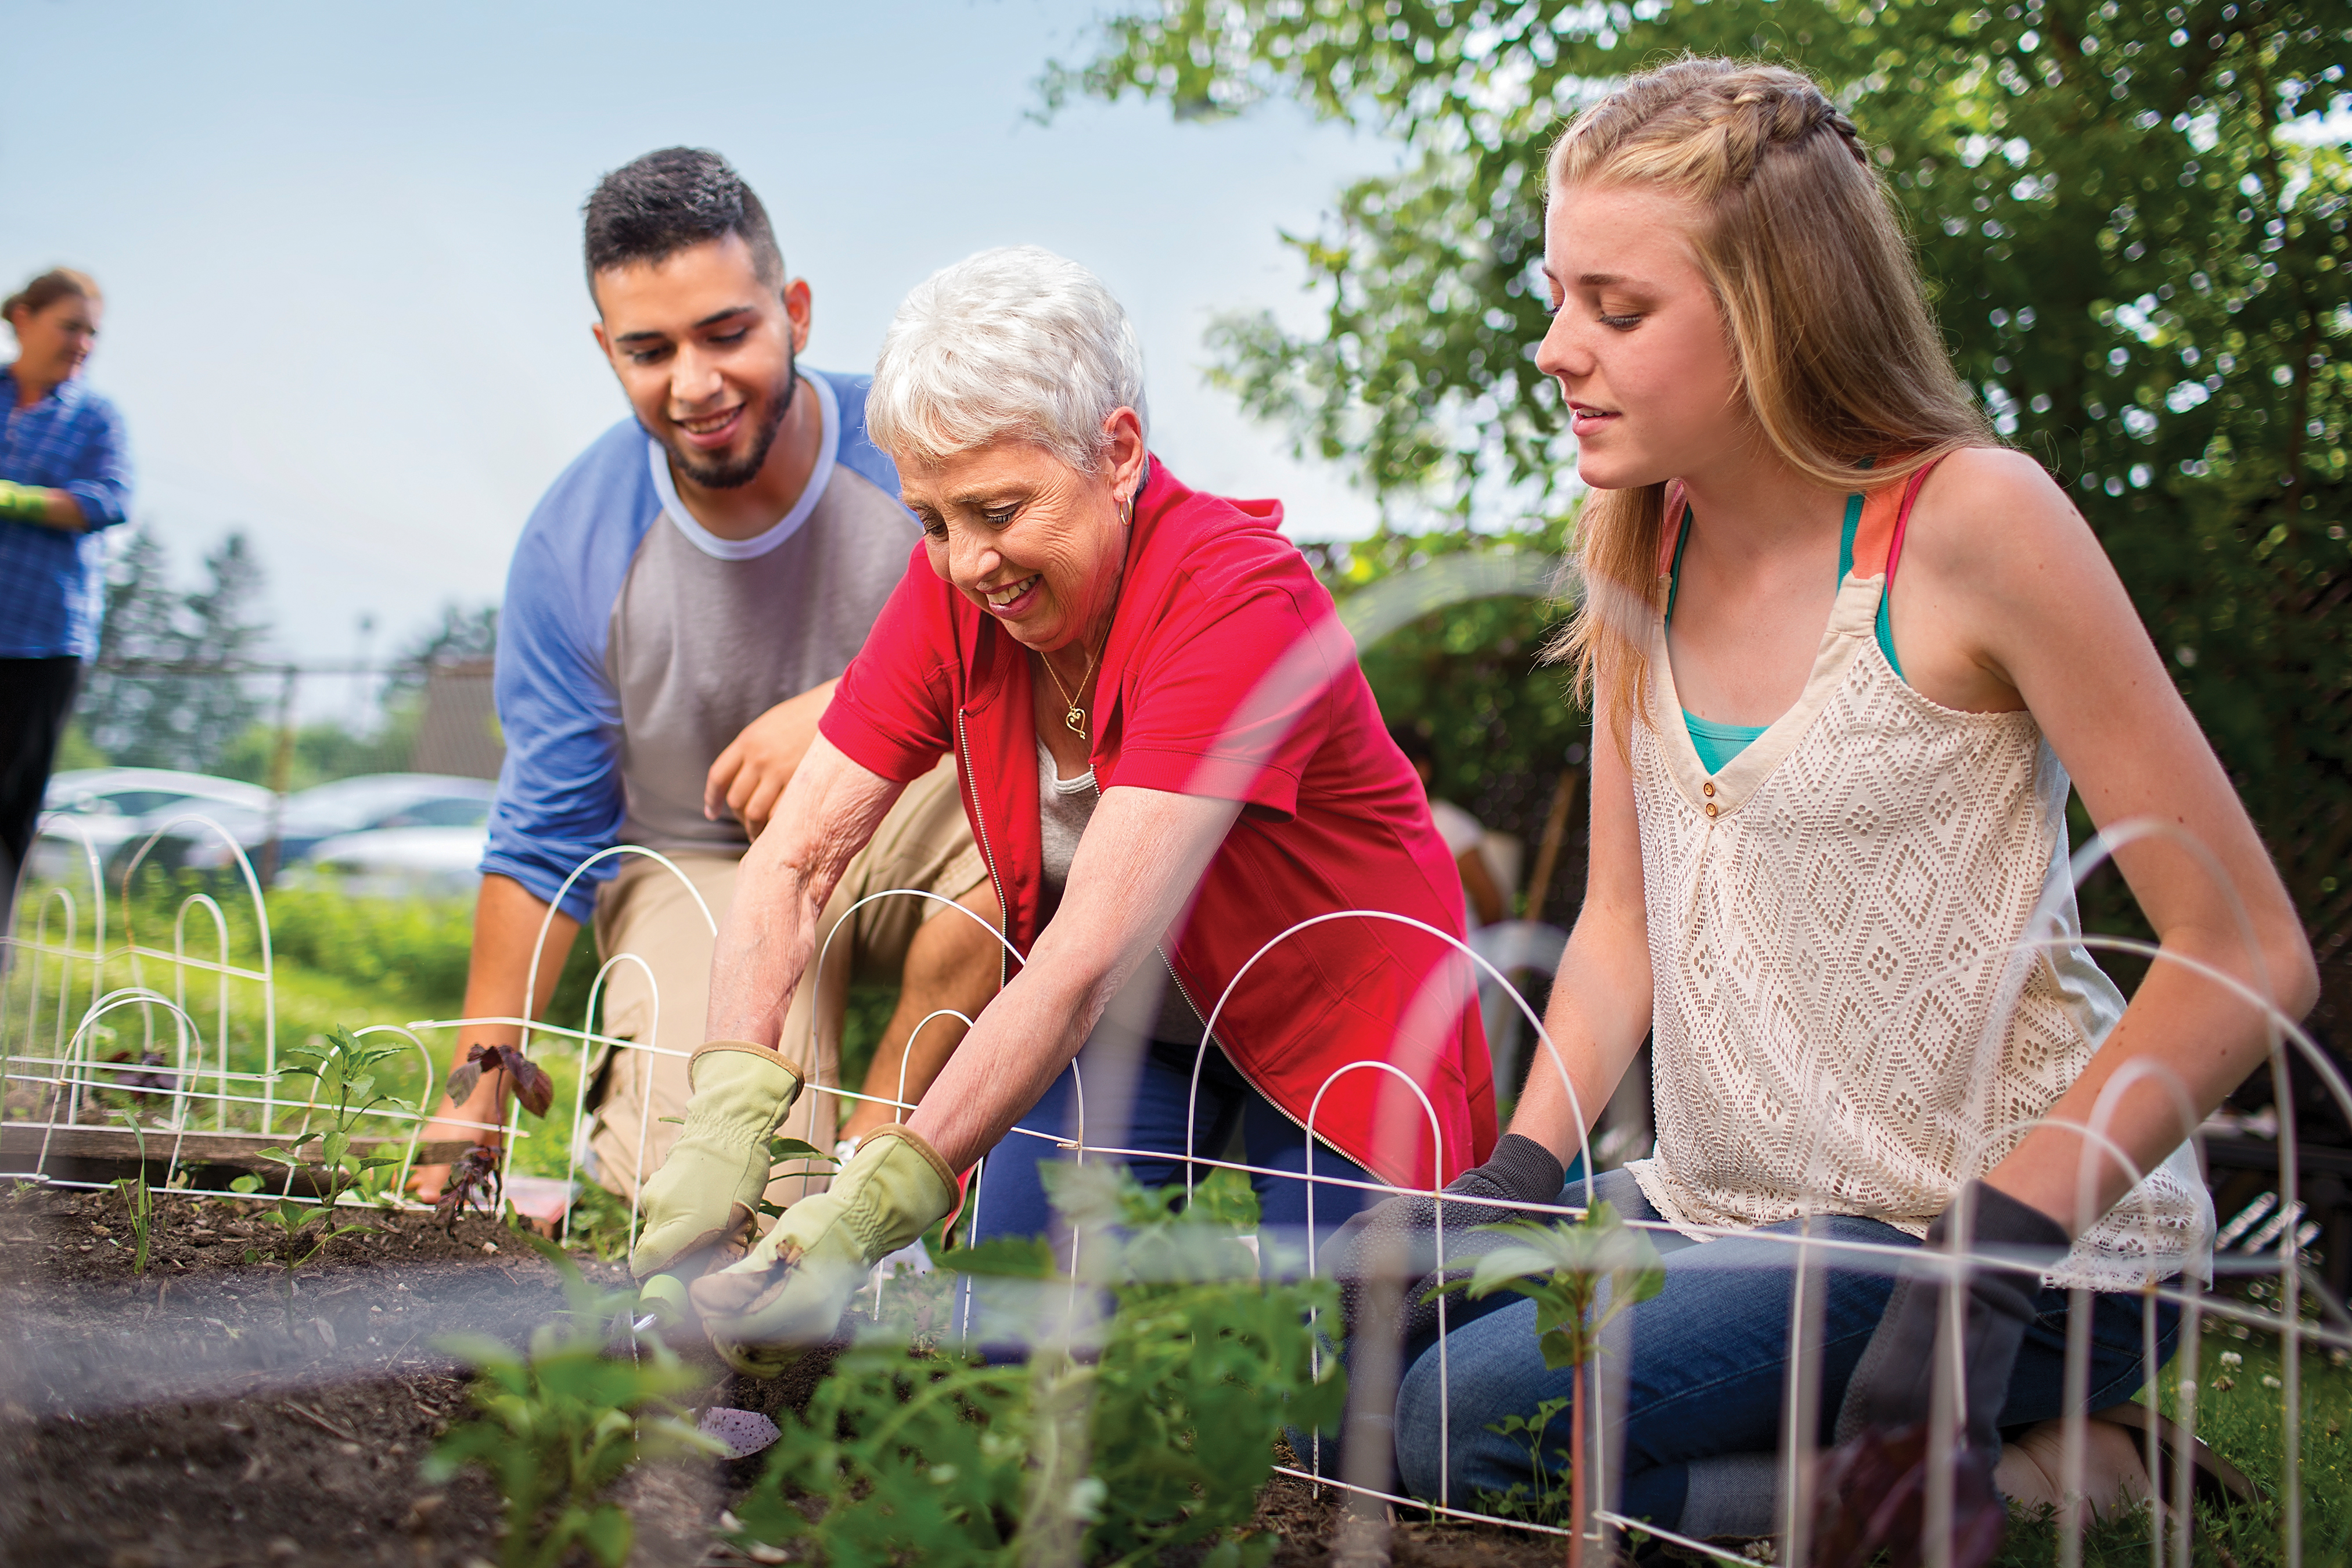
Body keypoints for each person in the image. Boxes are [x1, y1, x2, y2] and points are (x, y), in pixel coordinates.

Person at [1345, 58, 2317, 1542]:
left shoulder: (1973, 522)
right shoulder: (1634, 543)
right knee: (1340, 1373)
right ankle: (1929, 1463)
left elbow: (2242, 950)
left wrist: (1992, 1246)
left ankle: (2055, 1465)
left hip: (2006, 1245)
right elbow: (1620, 923)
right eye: (1556, 297)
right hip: (1722, 1218)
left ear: (1771, 312)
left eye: (1615, 309)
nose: (1555, 348)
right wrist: (1520, 1174)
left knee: (1456, 1431)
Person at [626, 246, 1499, 1372]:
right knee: (1009, 1350)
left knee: (1337, 1411)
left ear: (1118, 454)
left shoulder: (1235, 598)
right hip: (1136, 1022)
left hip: (1340, 1014)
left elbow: (1080, 960)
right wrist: (728, 1113)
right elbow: (794, 861)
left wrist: (875, 1194)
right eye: (933, 519)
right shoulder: (949, 594)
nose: (967, 563)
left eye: (999, 509)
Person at [413, 150, 1001, 1206]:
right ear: (607, 352)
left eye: (728, 333)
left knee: (1036, 816)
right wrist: (472, 1095)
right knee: (719, 1202)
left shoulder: (917, 454)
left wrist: (845, 714)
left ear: (797, 313)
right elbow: (545, 834)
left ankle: (887, 1168)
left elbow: (1050, 632)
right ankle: (713, 1166)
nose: (695, 383)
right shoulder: (572, 546)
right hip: (699, 864)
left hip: (900, 819)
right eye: (650, 351)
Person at [1, 268, 130, 907]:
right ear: (24, 317)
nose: (82, 343)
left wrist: (19, 500)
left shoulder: (95, 418)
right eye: (70, 326)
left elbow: (108, 500)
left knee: (6, 806)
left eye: (91, 333)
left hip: (41, 640)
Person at [1388, 725, 1508, 927]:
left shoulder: (1451, 827)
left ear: (1422, 770)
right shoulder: (1385, 824)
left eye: (1390, 765)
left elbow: (1492, 905)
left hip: (1455, 955)